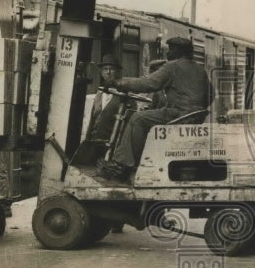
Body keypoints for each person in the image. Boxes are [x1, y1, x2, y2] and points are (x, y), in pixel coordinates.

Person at [97, 37, 213, 182]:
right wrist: (195, 108)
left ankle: (121, 166)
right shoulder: (199, 70)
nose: (168, 53)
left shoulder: (173, 66)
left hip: (179, 115)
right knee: (145, 117)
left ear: (179, 51)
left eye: (171, 49)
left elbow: (148, 83)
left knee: (138, 118)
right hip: (194, 117)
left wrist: (117, 83)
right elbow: (211, 95)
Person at [84, 54, 123, 142]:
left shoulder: (123, 95)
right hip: (95, 142)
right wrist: (87, 140)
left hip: (112, 144)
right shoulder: (99, 93)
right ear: (102, 73)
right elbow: (92, 120)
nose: (108, 72)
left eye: (111, 69)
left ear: (117, 72)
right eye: (105, 69)